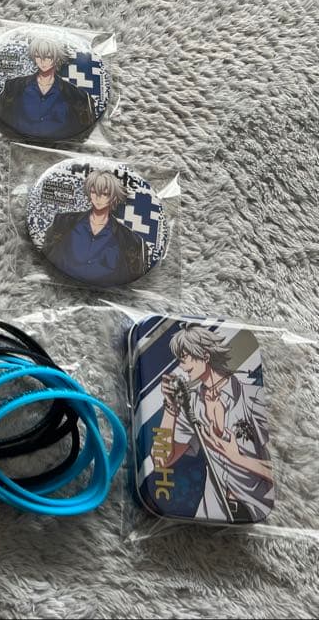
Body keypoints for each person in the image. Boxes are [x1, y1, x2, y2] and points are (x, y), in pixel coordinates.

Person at [155, 325, 274, 523]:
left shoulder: (250, 398)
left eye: (184, 359)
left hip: (254, 506)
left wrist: (236, 457)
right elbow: (161, 461)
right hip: (212, 509)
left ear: (204, 355)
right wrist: (171, 408)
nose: (182, 367)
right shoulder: (191, 402)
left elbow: (275, 471)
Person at [40, 168, 148, 286]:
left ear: (114, 197)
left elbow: (133, 276)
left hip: (106, 293)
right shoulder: (63, 222)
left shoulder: (129, 239)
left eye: (105, 194)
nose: (98, 198)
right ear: (89, 193)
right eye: (94, 192)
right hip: (58, 285)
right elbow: (46, 255)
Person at [0, 36, 96, 140]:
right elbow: (2, 119)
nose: (43, 61)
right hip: (15, 140)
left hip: (61, 145)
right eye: (38, 56)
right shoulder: (13, 86)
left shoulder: (76, 95)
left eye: (48, 57)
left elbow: (84, 129)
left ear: (57, 58)